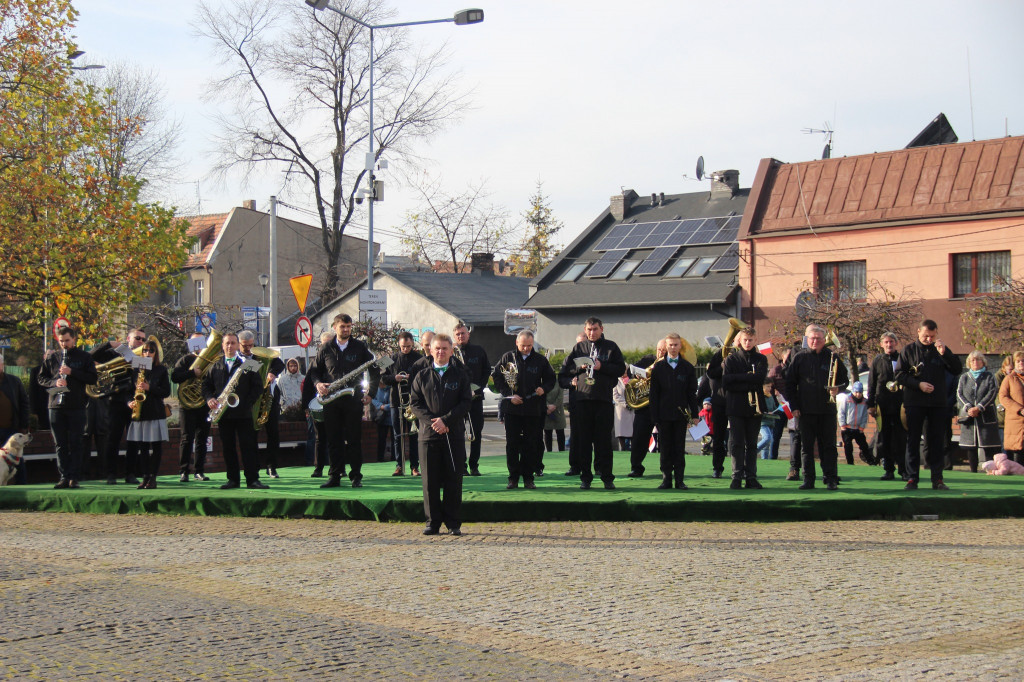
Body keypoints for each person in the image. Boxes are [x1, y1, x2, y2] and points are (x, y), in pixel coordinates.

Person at [409, 334, 473, 536]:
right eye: (437, 348)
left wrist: (446, 420)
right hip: (428, 436)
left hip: (453, 434)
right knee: (430, 481)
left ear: (451, 351)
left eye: (445, 348)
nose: (440, 352)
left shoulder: (460, 375)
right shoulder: (422, 375)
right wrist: (433, 422)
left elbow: (465, 402)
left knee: (454, 480)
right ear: (431, 350)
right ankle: (432, 522)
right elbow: (415, 403)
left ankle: (453, 522)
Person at [558, 318, 625, 490]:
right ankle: (585, 478)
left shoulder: (611, 347)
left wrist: (601, 366)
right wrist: (578, 370)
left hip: (603, 400)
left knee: (604, 442)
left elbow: (620, 369)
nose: (592, 332)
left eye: (595, 329)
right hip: (582, 400)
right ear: (585, 329)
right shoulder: (579, 348)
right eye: (589, 329)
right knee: (584, 442)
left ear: (602, 329)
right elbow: (565, 372)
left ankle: (607, 477)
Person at [308, 314, 374, 488]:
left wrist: (371, 393)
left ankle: (355, 476)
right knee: (333, 439)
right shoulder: (325, 348)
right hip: (331, 399)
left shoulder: (360, 347)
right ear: (335, 327)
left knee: (354, 439)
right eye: (343, 326)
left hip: (353, 399)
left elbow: (374, 369)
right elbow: (314, 372)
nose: (346, 329)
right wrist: (318, 384)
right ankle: (334, 475)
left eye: (349, 326)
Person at [896, 319, 962, 490]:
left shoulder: (940, 350)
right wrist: (918, 385)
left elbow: (957, 369)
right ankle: (912, 478)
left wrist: (945, 353)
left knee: (936, 442)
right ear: (918, 331)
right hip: (915, 402)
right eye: (926, 336)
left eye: (932, 336)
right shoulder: (908, 350)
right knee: (913, 441)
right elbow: (899, 375)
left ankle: (937, 479)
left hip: (937, 404)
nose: (928, 339)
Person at [785, 324, 848, 490]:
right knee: (806, 447)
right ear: (807, 339)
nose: (815, 341)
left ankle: (831, 478)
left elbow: (845, 381)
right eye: (812, 338)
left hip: (827, 410)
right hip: (805, 410)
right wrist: (794, 406)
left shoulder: (833, 357)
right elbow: (789, 384)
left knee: (828, 447)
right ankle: (808, 479)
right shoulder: (799, 358)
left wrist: (838, 389)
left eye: (818, 339)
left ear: (823, 340)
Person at [202, 332, 267, 490]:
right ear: (222, 346)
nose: (230, 346)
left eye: (233, 343)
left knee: (248, 447)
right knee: (228, 448)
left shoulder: (248, 363)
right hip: (224, 414)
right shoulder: (215, 365)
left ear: (238, 345)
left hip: (244, 413)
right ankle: (233, 480)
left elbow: (258, 386)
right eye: (227, 343)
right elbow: (206, 386)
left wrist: (247, 402)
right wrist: (209, 398)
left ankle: (252, 480)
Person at [492, 330, 556, 490]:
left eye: (529, 345)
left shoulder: (540, 360)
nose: (526, 349)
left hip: (533, 409)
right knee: (512, 444)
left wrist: (544, 388)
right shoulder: (508, 357)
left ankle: (528, 478)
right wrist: (509, 395)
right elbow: (496, 377)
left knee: (531, 444)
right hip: (512, 409)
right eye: (523, 346)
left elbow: (551, 379)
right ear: (516, 343)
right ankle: (513, 478)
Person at [37, 326, 97, 488]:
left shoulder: (84, 357)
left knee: (76, 442)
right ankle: (64, 476)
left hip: (76, 405)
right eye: (61, 341)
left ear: (74, 339)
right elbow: (41, 378)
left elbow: (92, 378)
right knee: (60, 443)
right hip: (55, 405)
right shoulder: (53, 357)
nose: (64, 344)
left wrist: (72, 372)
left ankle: (74, 477)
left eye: (67, 341)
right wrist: (54, 382)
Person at [92, 328, 148, 484]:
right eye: (138, 338)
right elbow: (91, 356)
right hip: (115, 402)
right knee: (113, 439)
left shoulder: (143, 356)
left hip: (135, 401)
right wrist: (110, 343)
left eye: (143, 339)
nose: (141, 342)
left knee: (133, 440)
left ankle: (130, 474)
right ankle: (111, 474)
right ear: (128, 339)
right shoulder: (114, 354)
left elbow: (147, 376)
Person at [648, 333, 699, 489]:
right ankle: (666, 479)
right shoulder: (659, 367)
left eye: (676, 345)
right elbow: (654, 394)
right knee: (664, 448)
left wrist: (695, 415)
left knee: (679, 447)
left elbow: (692, 393)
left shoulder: (688, 368)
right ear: (666, 347)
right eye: (670, 345)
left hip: (680, 415)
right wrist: (654, 416)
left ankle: (679, 480)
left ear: (680, 346)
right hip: (663, 415)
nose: (673, 348)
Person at [722, 327, 769, 489]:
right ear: (740, 341)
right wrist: (748, 378)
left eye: (750, 340)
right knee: (737, 443)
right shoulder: (731, 359)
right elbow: (726, 382)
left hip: (755, 408)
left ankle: (751, 476)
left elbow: (760, 378)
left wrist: (740, 380)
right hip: (736, 407)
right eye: (745, 340)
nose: (748, 343)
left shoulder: (761, 359)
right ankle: (736, 476)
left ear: (755, 341)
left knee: (752, 444)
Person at [238, 330, 284, 478]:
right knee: (252, 435)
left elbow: (279, 363)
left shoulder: (259, 353)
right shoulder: (239, 359)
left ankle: (272, 466)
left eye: (251, 345)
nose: (248, 349)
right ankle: (254, 467)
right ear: (240, 344)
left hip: (268, 397)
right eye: (245, 346)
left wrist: (272, 373)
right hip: (251, 401)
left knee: (273, 433)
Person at [126, 338, 170, 489]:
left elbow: (166, 391)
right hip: (140, 412)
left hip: (155, 412)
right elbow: (128, 391)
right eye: (145, 350)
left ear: (156, 353)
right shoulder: (136, 369)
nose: (147, 353)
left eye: (151, 351)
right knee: (142, 447)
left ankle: (153, 477)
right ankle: (145, 476)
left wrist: (149, 388)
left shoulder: (161, 370)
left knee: (156, 447)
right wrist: (129, 402)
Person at [170, 333, 213, 482]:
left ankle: (199, 471)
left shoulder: (209, 361)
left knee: (202, 438)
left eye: (200, 341)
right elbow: (174, 377)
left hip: (203, 404)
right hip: (187, 405)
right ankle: (184, 471)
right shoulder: (185, 360)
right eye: (195, 341)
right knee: (186, 438)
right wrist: (191, 373)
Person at [379, 331, 423, 476]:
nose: (405, 349)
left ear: (412, 344)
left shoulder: (419, 358)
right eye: (403, 346)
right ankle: (399, 465)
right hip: (396, 401)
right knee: (397, 435)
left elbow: (424, 377)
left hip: (413, 402)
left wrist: (412, 379)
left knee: (413, 434)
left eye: (408, 346)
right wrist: (395, 378)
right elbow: (383, 378)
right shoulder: (392, 358)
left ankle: (414, 467)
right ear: (399, 344)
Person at [867, 332, 907, 481]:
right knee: (884, 437)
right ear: (882, 344)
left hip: (900, 404)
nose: (889, 345)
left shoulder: (903, 358)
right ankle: (888, 469)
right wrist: (870, 404)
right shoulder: (877, 360)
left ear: (896, 343)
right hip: (882, 405)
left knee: (901, 438)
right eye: (886, 342)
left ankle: (903, 470)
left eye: (891, 342)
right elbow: (871, 383)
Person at [453, 323, 489, 476]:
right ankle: (462, 466)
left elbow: (486, 371)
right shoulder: (452, 353)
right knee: (458, 434)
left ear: (468, 334)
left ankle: (474, 466)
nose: (461, 336)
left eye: (463, 333)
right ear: (455, 336)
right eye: (458, 334)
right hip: (458, 401)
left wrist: (477, 389)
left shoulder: (479, 351)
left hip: (476, 399)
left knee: (476, 433)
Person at [627, 339, 666, 478]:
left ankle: (666, 469)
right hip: (644, 407)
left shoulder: (670, 363)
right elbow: (630, 369)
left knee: (666, 439)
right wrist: (637, 373)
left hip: (663, 406)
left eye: (663, 350)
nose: (660, 352)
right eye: (659, 349)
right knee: (638, 437)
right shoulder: (648, 359)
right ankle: (636, 467)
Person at [957, 350, 1000, 473]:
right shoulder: (964, 377)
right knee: (971, 447)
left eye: (978, 359)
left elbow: (992, 392)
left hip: (986, 415)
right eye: (972, 360)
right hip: (969, 417)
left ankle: (989, 470)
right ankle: (973, 471)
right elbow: (959, 394)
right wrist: (969, 408)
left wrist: (979, 407)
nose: (975, 362)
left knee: (988, 445)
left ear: (983, 362)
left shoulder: (989, 376)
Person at [0, 354, 30, 484]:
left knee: (18, 461)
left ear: (2, 365)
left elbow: (24, 404)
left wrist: (24, 425)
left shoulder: (14, 381)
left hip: (11, 429)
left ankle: (22, 487)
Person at [701, 347, 730, 479]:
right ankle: (717, 468)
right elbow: (711, 373)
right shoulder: (720, 354)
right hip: (719, 403)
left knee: (738, 439)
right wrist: (722, 366)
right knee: (718, 438)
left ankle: (742, 469)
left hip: (737, 401)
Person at [563, 332, 587, 477]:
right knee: (576, 436)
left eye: (583, 343)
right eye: (578, 343)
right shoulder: (570, 358)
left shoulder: (597, 356)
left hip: (594, 402)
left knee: (596, 437)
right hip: (577, 402)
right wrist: (570, 382)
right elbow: (562, 378)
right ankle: (575, 466)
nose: (580, 346)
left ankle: (598, 467)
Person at [998, 351, 1024, 465]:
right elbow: (1003, 397)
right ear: (1014, 363)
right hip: (1015, 421)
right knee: (1017, 452)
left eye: (1023, 361)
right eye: (1018, 361)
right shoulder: (1009, 379)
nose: (1021, 363)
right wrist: (1019, 409)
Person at [838, 382, 871, 465]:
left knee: (864, 446)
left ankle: (870, 461)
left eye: (860, 392)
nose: (858, 394)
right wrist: (842, 425)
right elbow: (841, 412)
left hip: (858, 429)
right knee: (848, 446)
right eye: (856, 392)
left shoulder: (864, 401)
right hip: (847, 428)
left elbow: (864, 415)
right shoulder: (847, 399)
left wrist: (862, 427)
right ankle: (850, 463)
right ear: (853, 391)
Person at [371, 384, 395, 462]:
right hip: (381, 417)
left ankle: (394, 458)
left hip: (392, 416)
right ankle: (380, 458)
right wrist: (380, 406)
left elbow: (395, 401)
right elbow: (372, 399)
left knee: (395, 439)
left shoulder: (392, 387)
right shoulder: (375, 389)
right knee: (381, 439)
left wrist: (386, 407)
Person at [757, 381, 781, 460]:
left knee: (767, 444)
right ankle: (753, 451)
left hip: (771, 422)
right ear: (762, 387)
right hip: (763, 422)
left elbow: (774, 407)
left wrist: (776, 410)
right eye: (767, 386)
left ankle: (765, 460)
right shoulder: (760, 396)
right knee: (767, 438)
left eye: (770, 387)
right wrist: (766, 412)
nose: (769, 388)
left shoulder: (771, 396)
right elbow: (759, 409)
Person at [612, 370, 634, 451]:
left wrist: (632, 404)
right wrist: (626, 404)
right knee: (621, 433)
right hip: (620, 409)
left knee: (632, 432)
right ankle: (623, 449)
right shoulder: (616, 381)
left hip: (631, 410)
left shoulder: (632, 381)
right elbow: (615, 396)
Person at [543, 380, 566, 454]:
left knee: (560, 432)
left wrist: (554, 405)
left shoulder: (558, 383)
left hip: (558, 410)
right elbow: (541, 395)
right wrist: (546, 406)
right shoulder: (542, 382)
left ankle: (562, 451)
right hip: (546, 411)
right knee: (547, 432)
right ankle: (549, 452)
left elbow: (560, 396)